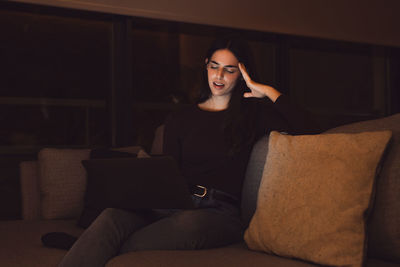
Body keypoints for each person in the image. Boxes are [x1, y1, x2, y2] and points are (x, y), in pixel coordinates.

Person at [58, 35, 319, 267]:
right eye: (214, 67)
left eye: (229, 70)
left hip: (219, 214)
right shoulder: (180, 119)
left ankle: (89, 247)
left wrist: (269, 92)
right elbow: (170, 172)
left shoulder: (254, 116)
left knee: (188, 224)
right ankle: (94, 247)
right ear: (205, 65)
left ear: (241, 74)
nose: (219, 76)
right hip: (174, 204)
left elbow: (310, 129)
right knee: (111, 217)